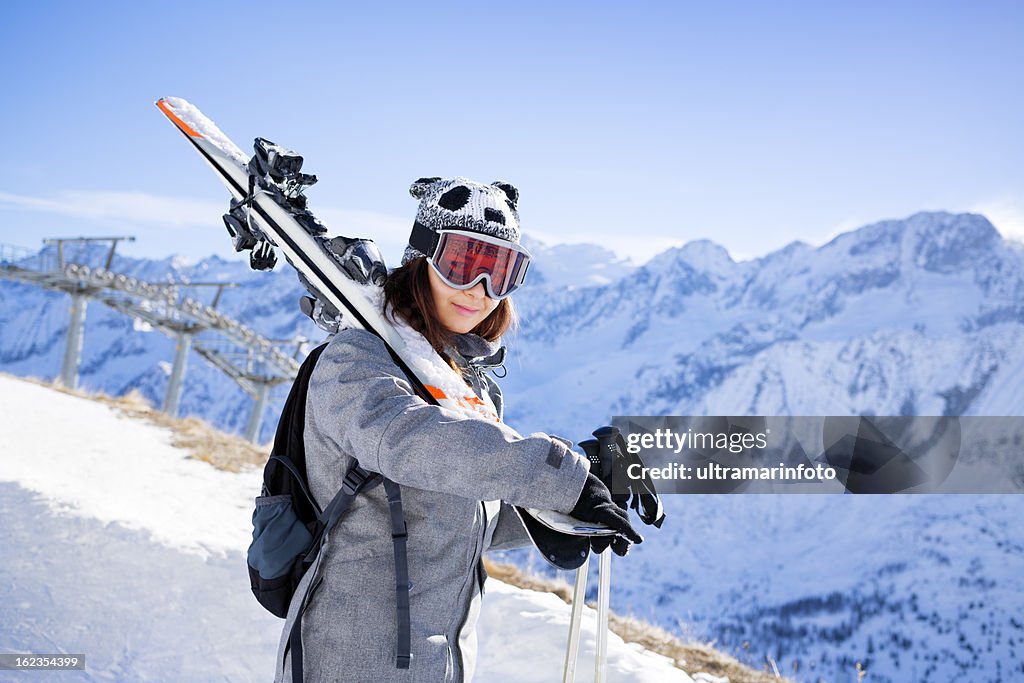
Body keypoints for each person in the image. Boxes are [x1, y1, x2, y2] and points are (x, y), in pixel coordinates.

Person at [274, 177, 641, 682]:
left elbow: (460, 517)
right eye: (464, 263)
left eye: (501, 271)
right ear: (421, 258)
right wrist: (556, 475)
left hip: (441, 664)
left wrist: (563, 505)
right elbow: (405, 439)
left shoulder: (469, 389)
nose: (481, 290)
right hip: (347, 659)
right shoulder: (353, 362)